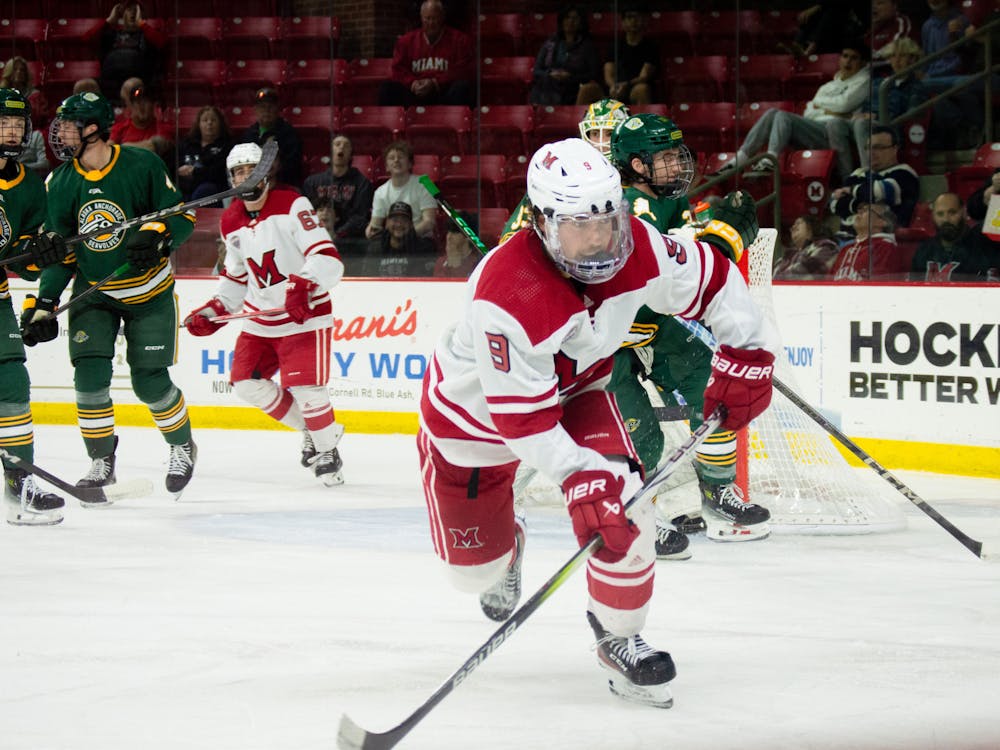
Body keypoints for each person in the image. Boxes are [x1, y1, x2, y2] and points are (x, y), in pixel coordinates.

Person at [417, 137, 779, 709]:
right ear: (539, 221)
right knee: (472, 575)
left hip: (579, 394)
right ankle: (505, 550)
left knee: (627, 510)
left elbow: (714, 279)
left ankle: (619, 636)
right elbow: (525, 422)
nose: (599, 241)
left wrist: (750, 351)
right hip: (476, 425)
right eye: (579, 226)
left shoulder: (639, 247)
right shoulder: (505, 294)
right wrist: (575, 475)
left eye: (607, 221)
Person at [607, 113, 772, 552]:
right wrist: (723, 240)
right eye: (664, 158)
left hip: (651, 328)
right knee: (641, 434)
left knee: (710, 386)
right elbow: (654, 271)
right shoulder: (626, 206)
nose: (677, 165)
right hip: (604, 343)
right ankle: (638, 512)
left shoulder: (666, 201)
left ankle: (718, 489)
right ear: (637, 165)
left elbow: (684, 264)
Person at [21, 91, 197, 496]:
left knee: (149, 382)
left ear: (94, 129)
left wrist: (158, 235)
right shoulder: (60, 182)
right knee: (89, 378)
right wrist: (45, 302)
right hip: (95, 291)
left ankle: (181, 445)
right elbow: (61, 254)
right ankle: (101, 460)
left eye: (68, 125)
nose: (59, 132)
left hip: (149, 290)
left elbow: (181, 216)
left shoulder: (141, 164)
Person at [184, 143, 347, 485]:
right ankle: (318, 433)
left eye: (251, 170)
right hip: (262, 320)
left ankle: (327, 450)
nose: (245, 177)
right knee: (246, 383)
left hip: (304, 314)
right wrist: (214, 309)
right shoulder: (230, 221)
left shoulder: (292, 204)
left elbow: (328, 258)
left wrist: (304, 284)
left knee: (306, 388)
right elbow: (235, 278)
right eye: (238, 172)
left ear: (266, 172)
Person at [0, 88, 69, 525]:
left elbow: (24, 263)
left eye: (16, 123)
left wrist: (36, 254)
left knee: (12, 384)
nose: (10, 130)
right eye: (2, 122)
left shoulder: (28, 184)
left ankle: (18, 479)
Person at [718, 44, 871, 180]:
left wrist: (823, 108)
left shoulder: (863, 81)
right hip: (814, 129)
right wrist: (831, 110)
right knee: (773, 113)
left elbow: (844, 104)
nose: (848, 62)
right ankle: (741, 158)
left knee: (783, 116)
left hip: (835, 132)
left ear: (862, 62)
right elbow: (809, 112)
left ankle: (771, 158)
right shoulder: (828, 86)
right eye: (845, 56)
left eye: (854, 58)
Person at [501, 99, 629, 243]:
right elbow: (510, 239)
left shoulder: (638, 185)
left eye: (609, 133)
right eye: (594, 133)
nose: (600, 142)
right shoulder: (557, 180)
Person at [378, 0, 473, 107]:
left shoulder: (460, 40)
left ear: (442, 17)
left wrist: (435, 83)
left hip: (444, 93)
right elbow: (398, 70)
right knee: (387, 88)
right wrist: (412, 83)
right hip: (415, 94)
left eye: (434, 18)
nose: (431, 23)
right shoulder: (406, 42)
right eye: (427, 18)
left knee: (462, 87)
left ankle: (454, 121)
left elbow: (463, 70)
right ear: (421, 18)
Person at [829, 125, 920, 235]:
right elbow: (835, 204)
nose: (871, 153)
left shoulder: (905, 173)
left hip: (881, 239)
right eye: (868, 148)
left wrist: (851, 191)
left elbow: (880, 191)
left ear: (894, 149)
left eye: (879, 147)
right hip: (846, 239)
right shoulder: (859, 173)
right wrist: (859, 205)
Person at [852, 37, 925, 169]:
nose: (896, 60)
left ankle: (868, 172)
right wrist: (863, 115)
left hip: (891, 128)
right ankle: (847, 174)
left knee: (862, 124)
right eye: (892, 56)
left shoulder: (916, 87)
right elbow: (866, 108)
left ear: (913, 59)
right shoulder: (878, 83)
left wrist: (877, 116)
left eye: (902, 56)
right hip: (868, 122)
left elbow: (908, 116)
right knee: (836, 125)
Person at [84, 1, 167, 102]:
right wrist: (109, 20)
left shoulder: (147, 34)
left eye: (136, 11)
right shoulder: (112, 34)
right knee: (83, 85)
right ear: (122, 15)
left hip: (137, 81)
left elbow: (162, 43)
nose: (132, 14)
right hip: (108, 81)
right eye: (129, 10)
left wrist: (141, 24)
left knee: (130, 86)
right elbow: (86, 39)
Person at [302, 134, 373, 248]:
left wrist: (338, 234)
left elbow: (360, 217)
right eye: (337, 144)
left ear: (351, 154)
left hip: (350, 243)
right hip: (316, 239)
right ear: (330, 151)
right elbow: (306, 213)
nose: (341, 148)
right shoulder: (312, 182)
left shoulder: (362, 183)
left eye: (346, 145)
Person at [910, 192, 1000, 281]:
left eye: (952, 213)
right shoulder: (924, 250)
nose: (946, 219)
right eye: (940, 214)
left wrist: (995, 193)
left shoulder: (984, 242)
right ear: (933, 216)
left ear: (964, 213)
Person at [529, 5, 603, 106]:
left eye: (575, 18)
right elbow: (537, 71)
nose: (570, 22)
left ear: (581, 22)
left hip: (575, 89)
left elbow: (594, 74)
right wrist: (550, 74)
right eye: (567, 18)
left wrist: (570, 77)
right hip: (550, 86)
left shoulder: (588, 46)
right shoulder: (551, 43)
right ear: (561, 21)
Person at [365, 140, 437, 240]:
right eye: (391, 158)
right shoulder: (379, 192)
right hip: (393, 242)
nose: (396, 160)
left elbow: (429, 222)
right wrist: (370, 231)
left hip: (419, 240)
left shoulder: (427, 184)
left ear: (410, 164)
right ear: (386, 167)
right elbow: (375, 224)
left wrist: (406, 238)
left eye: (401, 157)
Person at [239, 87, 303, 189]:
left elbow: (293, 166)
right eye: (262, 107)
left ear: (277, 109)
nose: (266, 110)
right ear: (255, 110)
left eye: (270, 106)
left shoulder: (289, 134)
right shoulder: (249, 134)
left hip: (282, 185)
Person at [830, 201, 905, 280]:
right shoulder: (846, 249)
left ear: (882, 222)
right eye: (860, 209)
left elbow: (880, 286)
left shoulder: (886, 248)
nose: (859, 211)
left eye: (866, 210)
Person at [176, 105, 232, 203]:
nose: (209, 123)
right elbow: (174, 164)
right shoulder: (187, 143)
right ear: (199, 124)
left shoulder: (227, 145)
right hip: (185, 186)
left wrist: (194, 172)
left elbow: (218, 173)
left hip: (213, 190)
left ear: (220, 124)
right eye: (205, 120)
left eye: (213, 120)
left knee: (205, 190)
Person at [602, 6, 657, 106]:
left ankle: (643, 121)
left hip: (634, 87)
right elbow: (608, 72)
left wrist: (626, 85)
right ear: (622, 22)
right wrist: (613, 86)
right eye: (629, 17)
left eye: (637, 17)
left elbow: (644, 76)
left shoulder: (650, 47)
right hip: (615, 88)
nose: (633, 21)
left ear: (644, 20)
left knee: (642, 89)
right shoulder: (615, 45)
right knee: (588, 89)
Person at [108, 80, 174, 163]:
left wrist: (122, 148)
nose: (141, 105)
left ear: (153, 105)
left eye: (146, 101)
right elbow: (108, 151)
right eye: (137, 102)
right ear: (130, 105)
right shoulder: (120, 127)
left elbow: (153, 146)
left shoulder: (163, 127)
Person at [365, 200, 436, 276]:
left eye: (404, 220)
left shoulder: (423, 248)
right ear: (387, 223)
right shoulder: (376, 246)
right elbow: (368, 276)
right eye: (395, 220)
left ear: (411, 224)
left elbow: (422, 281)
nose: (399, 224)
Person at [772, 215, 840, 279]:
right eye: (792, 226)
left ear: (811, 227)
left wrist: (779, 279)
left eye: (798, 223)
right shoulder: (787, 255)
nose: (793, 227)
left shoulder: (827, 246)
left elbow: (808, 271)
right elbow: (773, 275)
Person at [865, 0, 916, 72]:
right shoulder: (871, 30)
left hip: (892, 74)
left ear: (894, 6)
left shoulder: (901, 22)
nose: (874, 7)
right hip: (870, 76)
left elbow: (894, 52)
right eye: (872, 4)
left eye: (880, 3)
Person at [0, 56, 48, 129]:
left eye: (22, 70)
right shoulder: (1, 94)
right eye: (15, 69)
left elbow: (40, 120)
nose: (18, 72)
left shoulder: (35, 95)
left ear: (26, 74)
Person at [433, 211, 481, 278]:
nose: (449, 237)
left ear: (468, 237)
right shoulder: (441, 262)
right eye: (448, 232)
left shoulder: (478, 263)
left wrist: (457, 267)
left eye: (454, 233)